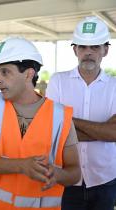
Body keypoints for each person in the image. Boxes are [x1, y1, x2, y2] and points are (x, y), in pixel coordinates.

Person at [0, 37, 81, 210]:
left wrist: (58, 174)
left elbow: (75, 172)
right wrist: (22, 166)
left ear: (29, 74)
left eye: (5, 72)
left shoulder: (60, 116)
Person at [46, 16, 116, 210]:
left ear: (106, 50)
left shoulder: (115, 87)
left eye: (94, 47)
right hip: (68, 179)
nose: (88, 53)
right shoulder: (58, 81)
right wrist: (102, 131)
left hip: (105, 180)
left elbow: (115, 134)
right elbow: (52, 129)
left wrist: (67, 118)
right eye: (83, 47)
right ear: (75, 49)